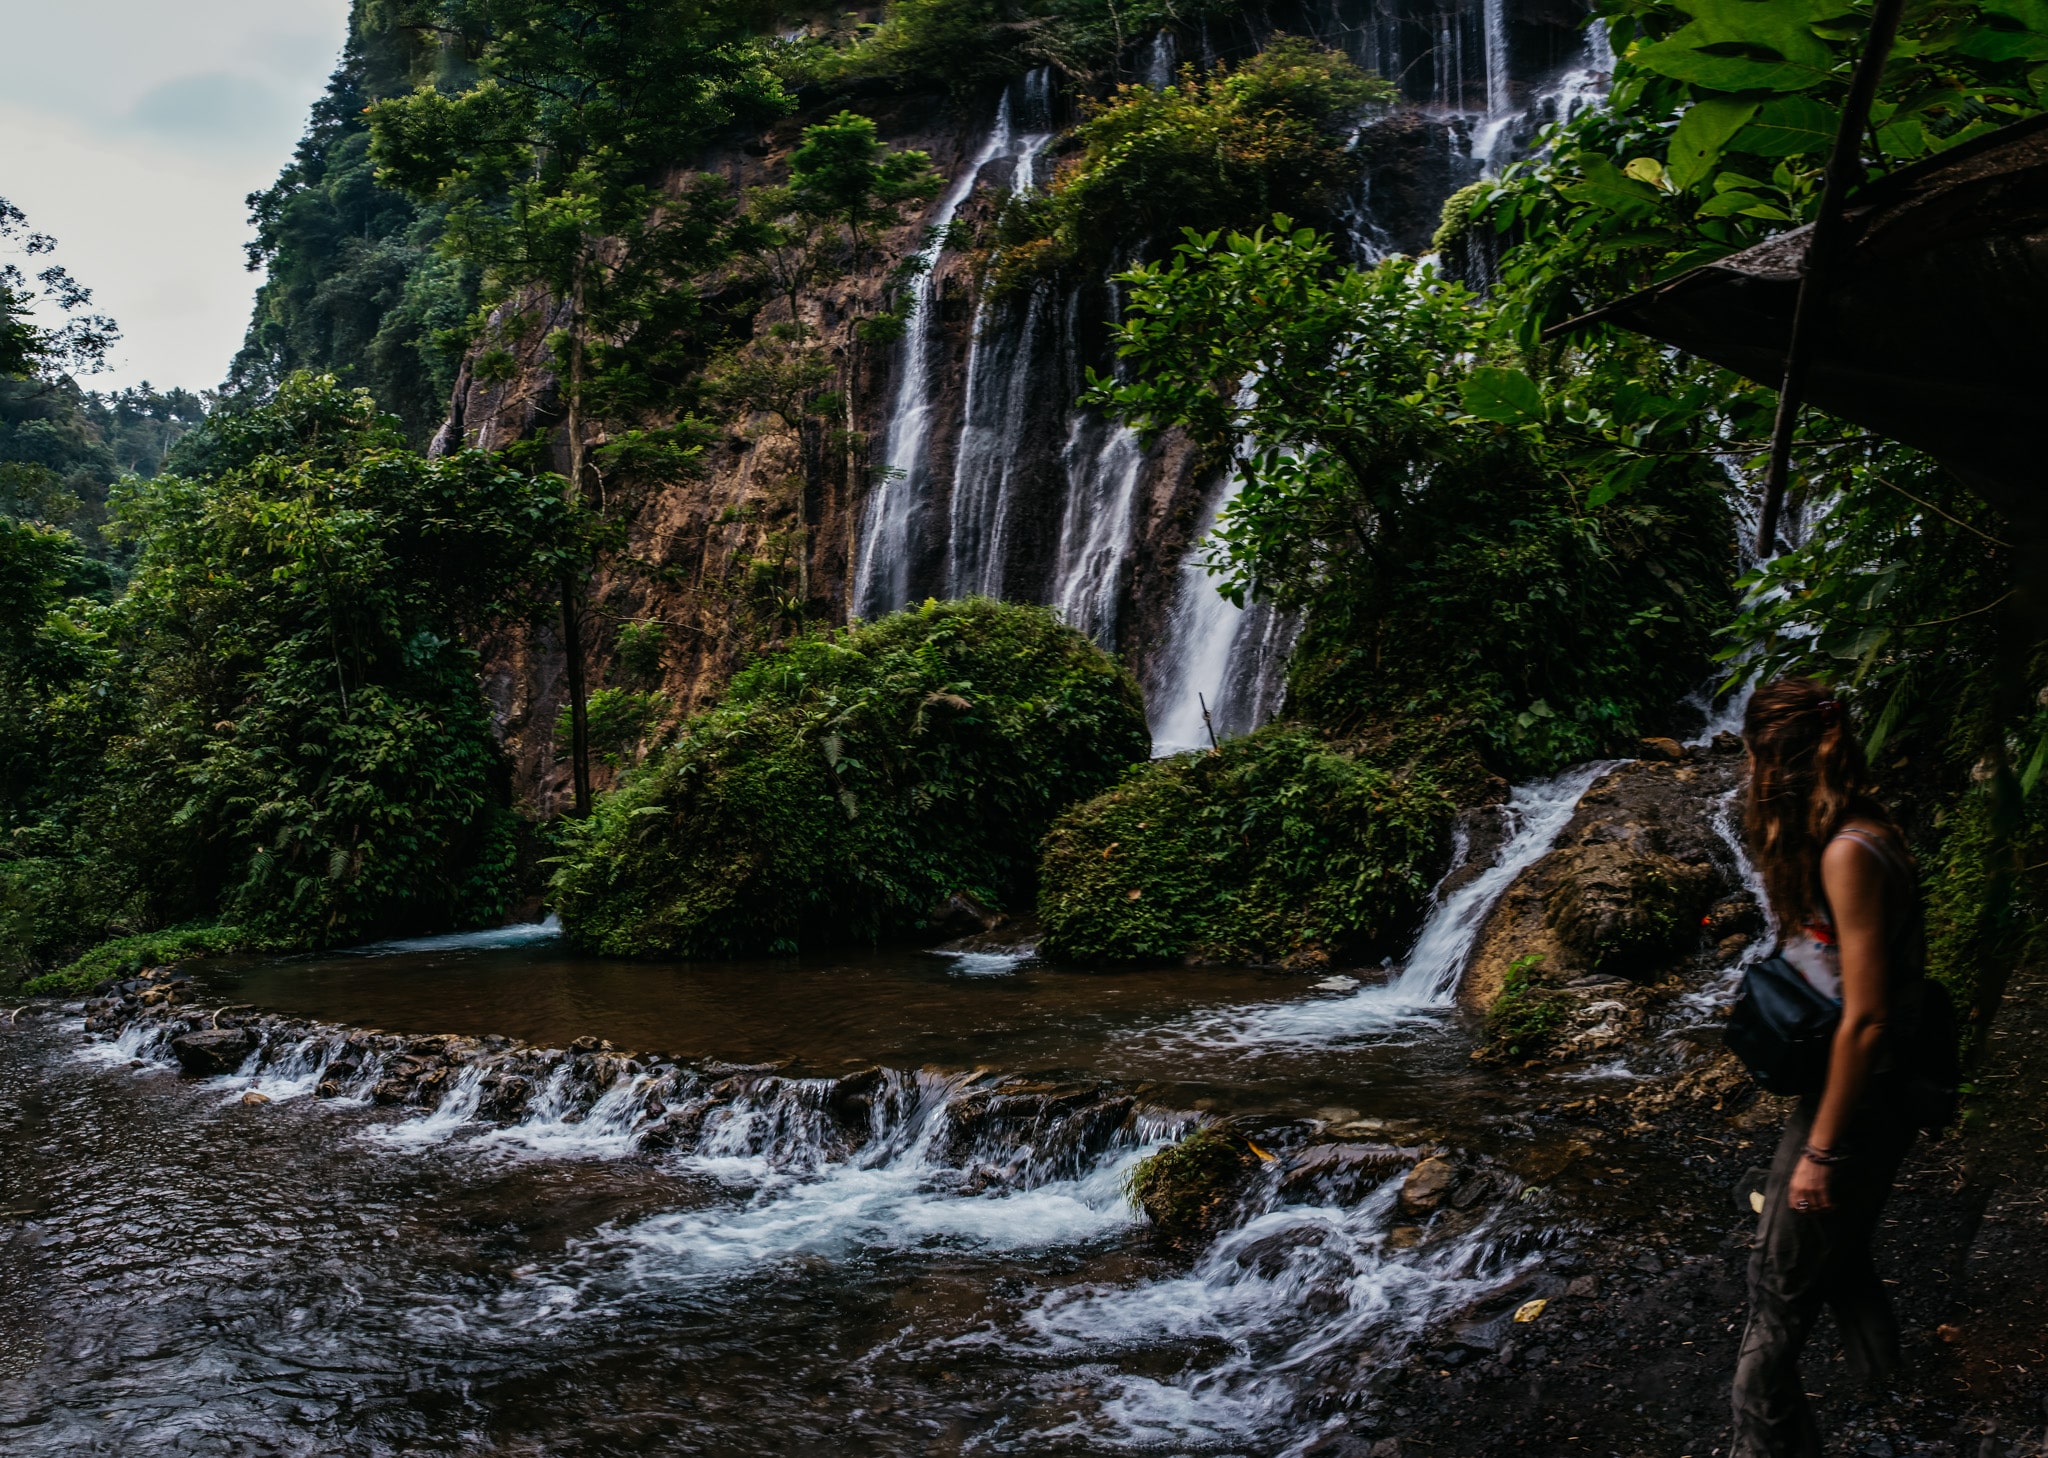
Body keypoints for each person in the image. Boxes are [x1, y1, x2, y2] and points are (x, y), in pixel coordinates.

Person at [1730, 676, 1926, 1457]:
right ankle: (1897, 1399)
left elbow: (1870, 1016)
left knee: (1774, 1302)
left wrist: (1819, 1151)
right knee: (1837, 1257)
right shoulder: (1858, 830)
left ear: (1767, 758)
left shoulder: (1850, 852)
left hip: (1857, 1100)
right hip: (1861, 1090)